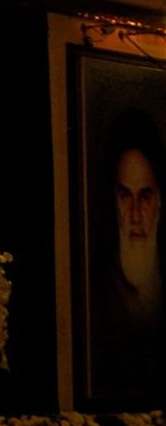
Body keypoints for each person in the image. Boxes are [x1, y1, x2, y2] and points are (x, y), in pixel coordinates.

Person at [91, 111, 166, 400]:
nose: (135, 214)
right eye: (125, 195)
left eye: (145, 196)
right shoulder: (96, 283)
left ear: (160, 201)